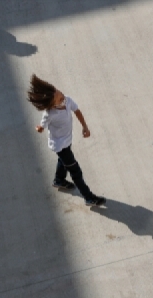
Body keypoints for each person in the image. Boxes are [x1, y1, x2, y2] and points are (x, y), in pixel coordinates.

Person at [27, 74, 105, 206]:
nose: (62, 98)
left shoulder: (67, 100)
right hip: (58, 145)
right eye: (59, 98)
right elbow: (42, 126)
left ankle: (59, 180)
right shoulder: (49, 114)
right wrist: (39, 128)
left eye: (60, 93)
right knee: (75, 171)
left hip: (67, 141)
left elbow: (77, 110)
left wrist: (85, 126)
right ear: (52, 104)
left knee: (63, 162)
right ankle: (89, 197)